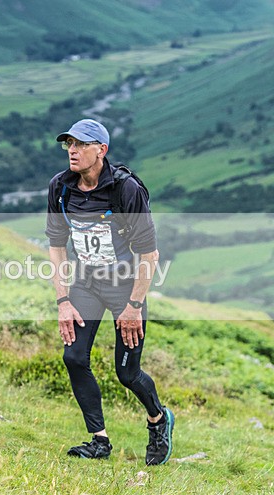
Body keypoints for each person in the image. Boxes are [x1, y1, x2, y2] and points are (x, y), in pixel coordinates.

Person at [44, 118, 174, 465]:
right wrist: (63, 300)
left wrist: (133, 306)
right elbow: (56, 246)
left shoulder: (125, 189)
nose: (72, 150)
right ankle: (99, 441)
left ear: (101, 150)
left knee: (127, 373)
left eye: (81, 144)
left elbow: (150, 254)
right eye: (68, 144)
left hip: (126, 287)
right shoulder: (61, 188)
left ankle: (159, 420)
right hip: (86, 284)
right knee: (73, 357)